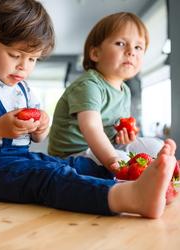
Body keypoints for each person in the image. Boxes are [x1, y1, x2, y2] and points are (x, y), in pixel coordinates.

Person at [0, 0, 177, 219]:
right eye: (15, 55)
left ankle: (143, 181)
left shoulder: (23, 89)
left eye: (32, 59)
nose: (23, 67)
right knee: (47, 179)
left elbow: (37, 137)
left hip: (20, 159)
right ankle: (128, 198)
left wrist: (40, 127)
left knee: (71, 167)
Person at [48, 12, 164, 173]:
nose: (131, 51)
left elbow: (114, 129)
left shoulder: (125, 91)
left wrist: (125, 137)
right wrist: (112, 159)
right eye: (121, 43)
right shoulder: (89, 85)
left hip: (107, 147)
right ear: (96, 53)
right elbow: (91, 127)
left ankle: (159, 172)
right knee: (124, 160)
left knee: (156, 147)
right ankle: (142, 181)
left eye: (138, 47)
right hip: (72, 155)